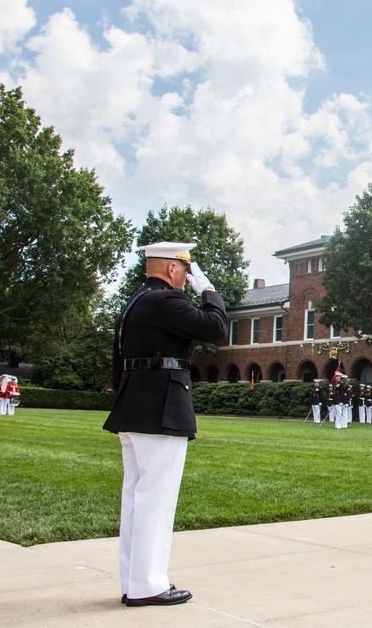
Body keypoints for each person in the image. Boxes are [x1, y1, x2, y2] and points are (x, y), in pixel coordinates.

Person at [103, 241, 228, 606]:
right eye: (185, 270)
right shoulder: (167, 301)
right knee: (155, 501)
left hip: (135, 407)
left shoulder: (134, 304)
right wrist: (207, 289)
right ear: (174, 269)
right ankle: (149, 585)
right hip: (161, 409)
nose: (185, 277)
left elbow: (118, 360)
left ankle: (134, 580)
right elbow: (216, 327)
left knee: (136, 500)